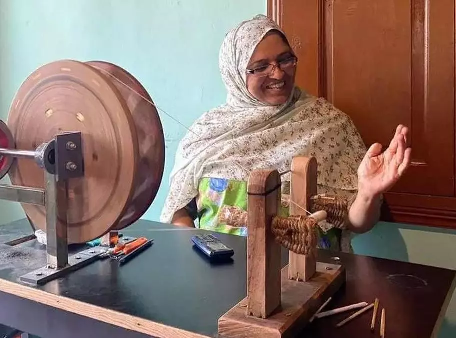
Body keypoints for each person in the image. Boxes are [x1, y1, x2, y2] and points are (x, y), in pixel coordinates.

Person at [160, 14, 411, 253]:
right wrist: (198, 258)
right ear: (234, 72)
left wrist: (368, 193)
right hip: (219, 281)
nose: (278, 74)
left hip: (314, 281)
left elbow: (357, 223)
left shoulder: (329, 124)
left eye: (285, 59)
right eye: (260, 67)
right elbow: (178, 211)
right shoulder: (207, 131)